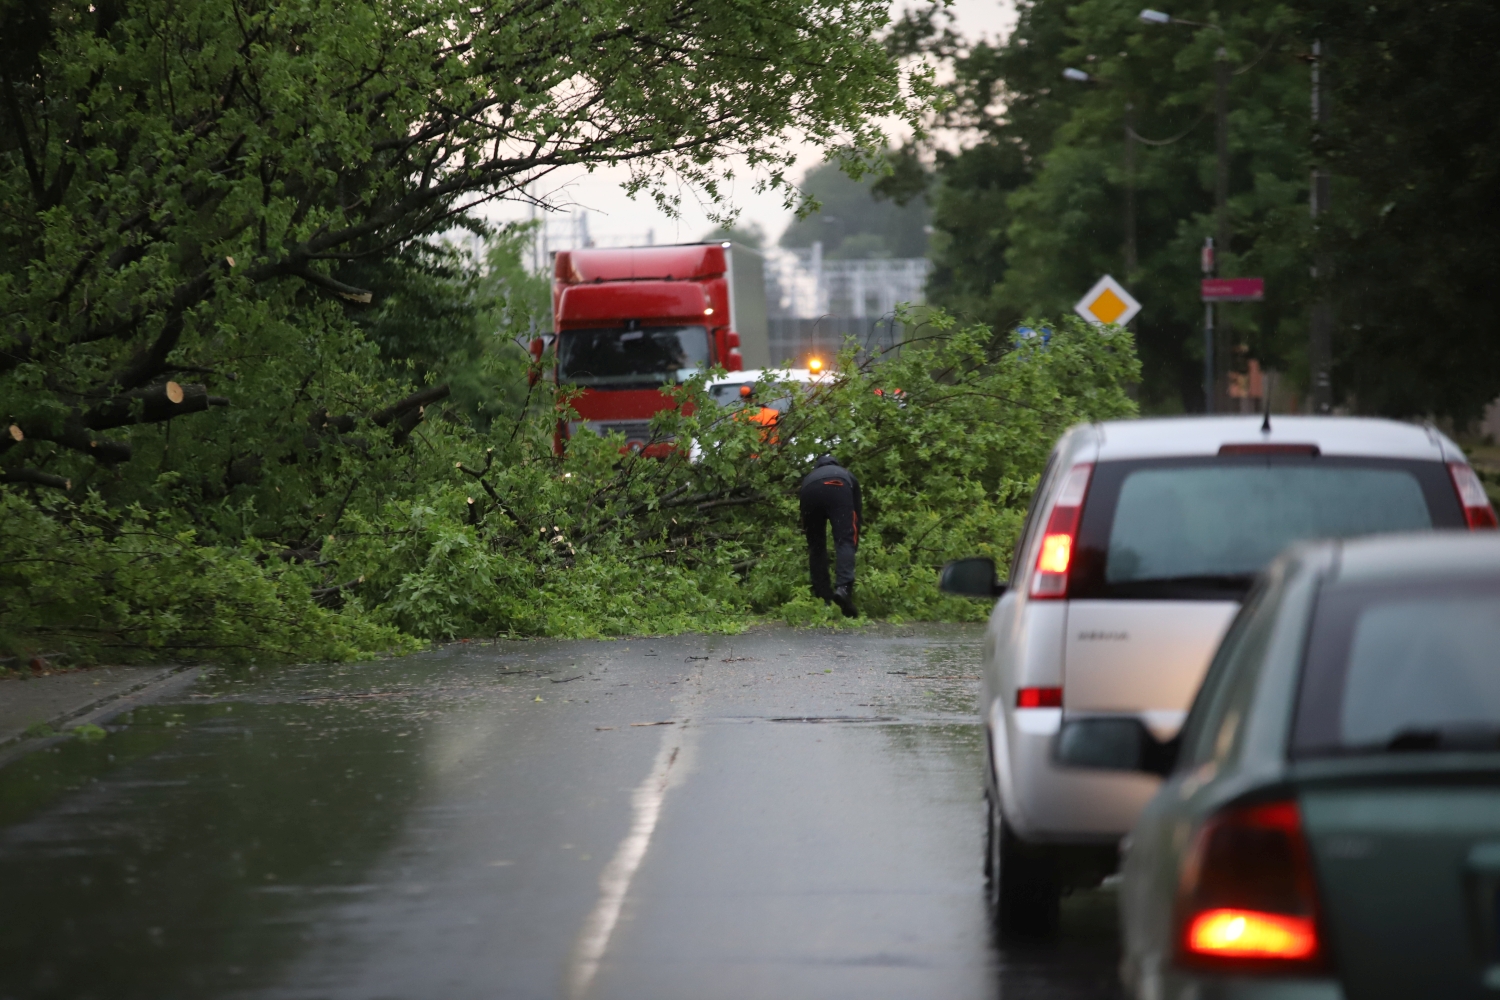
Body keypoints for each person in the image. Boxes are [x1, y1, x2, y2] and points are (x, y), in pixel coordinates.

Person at [799, 454, 861, 617]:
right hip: (838, 486)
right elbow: (856, 516)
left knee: (816, 547)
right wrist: (852, 546)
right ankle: (843, 589)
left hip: (808, 491)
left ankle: (823, 597)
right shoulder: (845, 473)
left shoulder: (809, 477)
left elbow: (804, 522)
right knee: (844, 540)